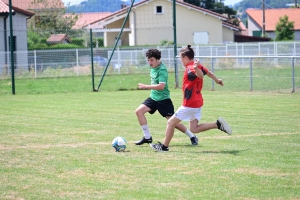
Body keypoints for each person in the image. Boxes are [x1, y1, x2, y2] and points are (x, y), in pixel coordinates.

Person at [150, 45, 232, 152]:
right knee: (194, 128)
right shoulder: (199, 66)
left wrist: (196, 69)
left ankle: (164, 147)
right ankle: (217, 124)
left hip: (189, 104)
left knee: (170, 123)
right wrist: (217, 80)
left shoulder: (191, 68)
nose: (181, 61)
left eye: (181, 59)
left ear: (185, 58)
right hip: (198, 103)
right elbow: (209, 73)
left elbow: (201, 75)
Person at [135, 48, 199, 146]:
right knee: (139, 111)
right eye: (148, 60)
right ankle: (147, 137)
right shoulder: (153, 67)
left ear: (157, 59)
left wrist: (146, 86)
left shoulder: (162, 70)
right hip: (153, 98)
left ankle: (192, 136)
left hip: (164, 100)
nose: (149, 62)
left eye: (151, 60)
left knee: (173, 122)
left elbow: (161, 86)